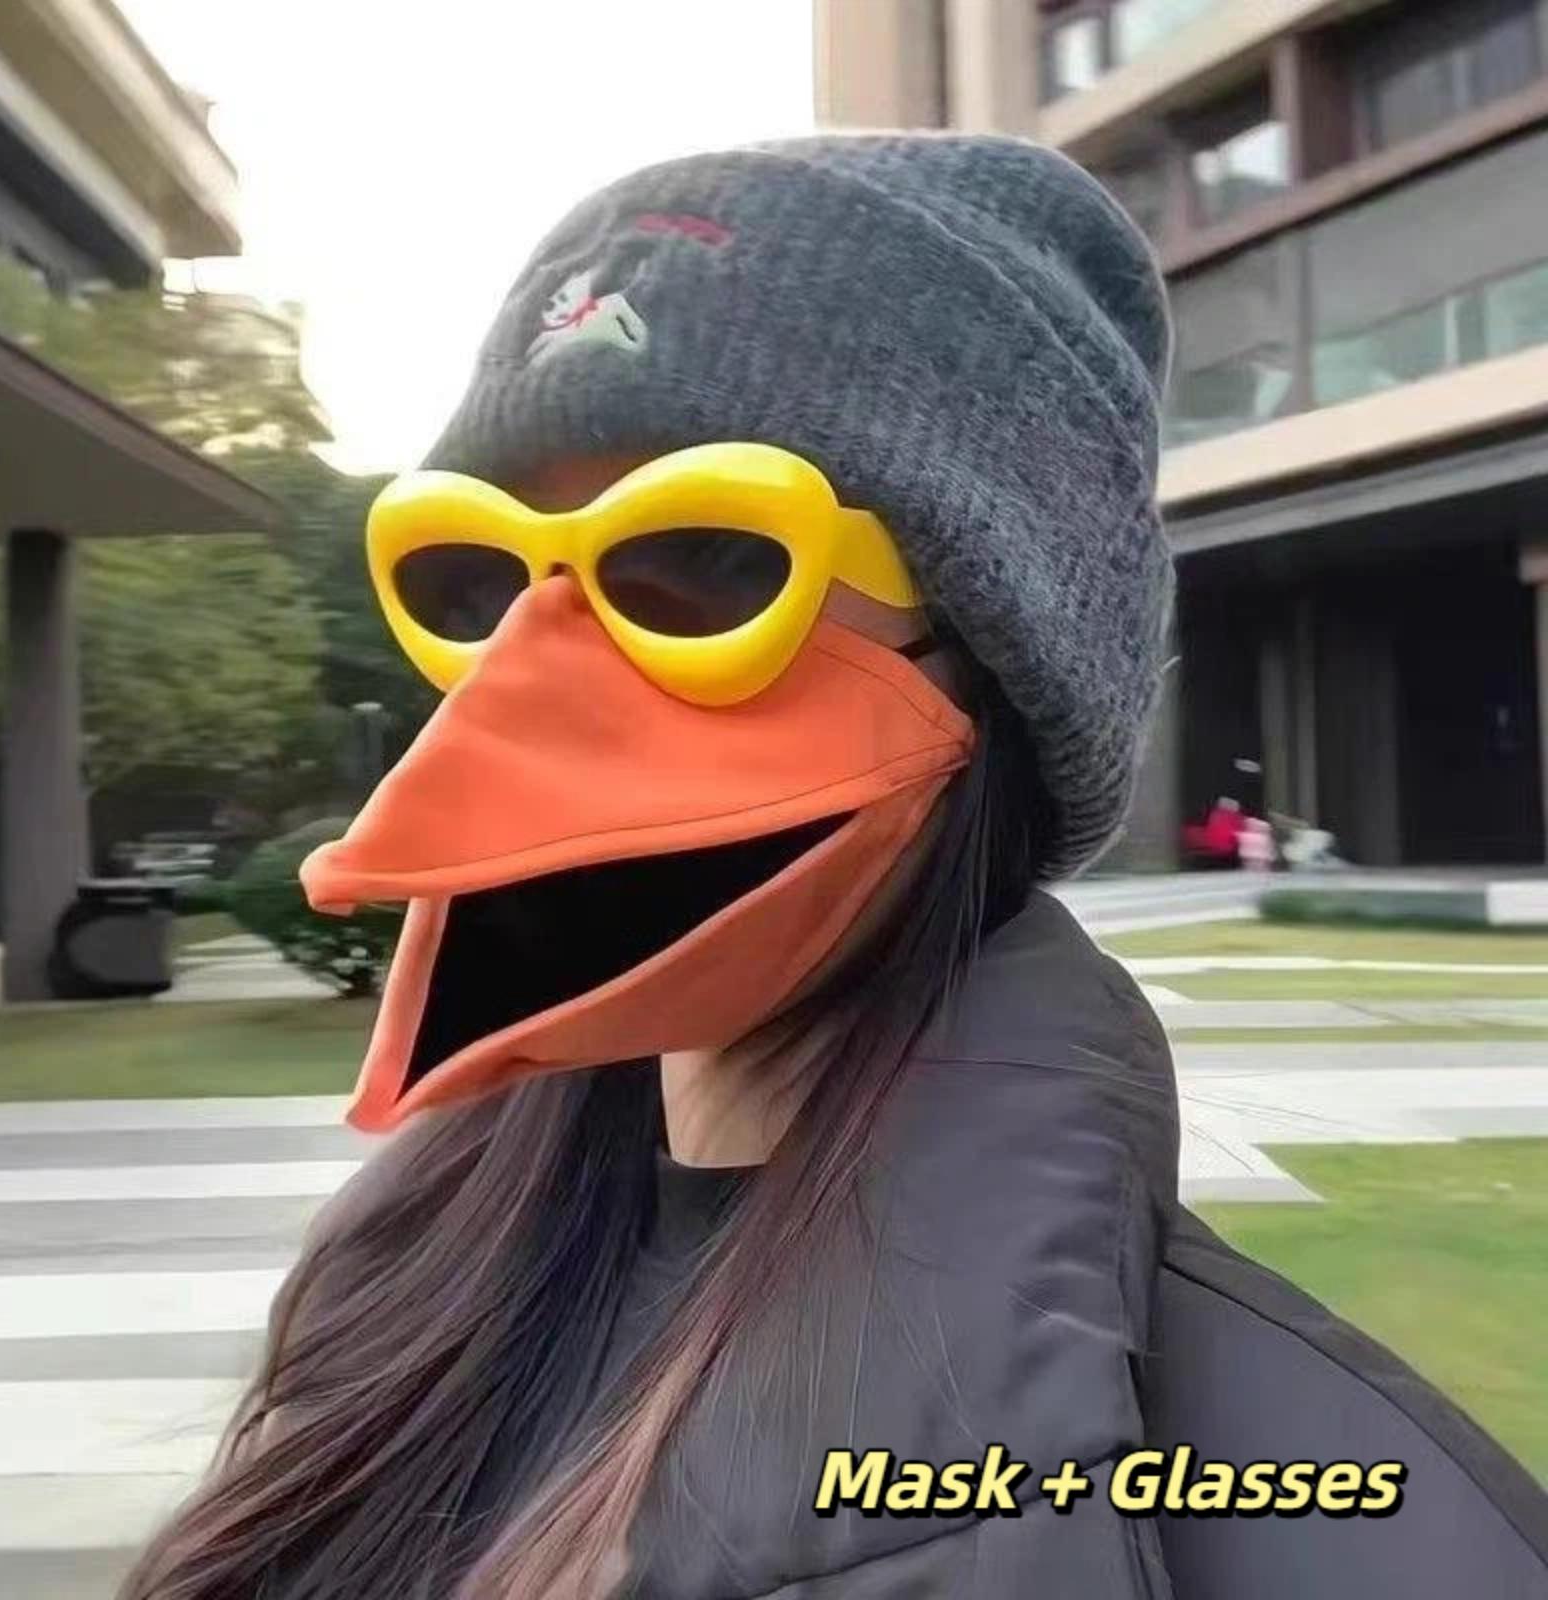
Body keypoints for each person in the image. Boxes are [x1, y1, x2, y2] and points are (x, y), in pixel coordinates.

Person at [120, 136, 1548, 1600]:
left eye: (707, 560)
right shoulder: (387, 1300)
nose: (538, 680)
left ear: (996, 662)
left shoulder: (1360, 1528)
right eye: (472, 577)